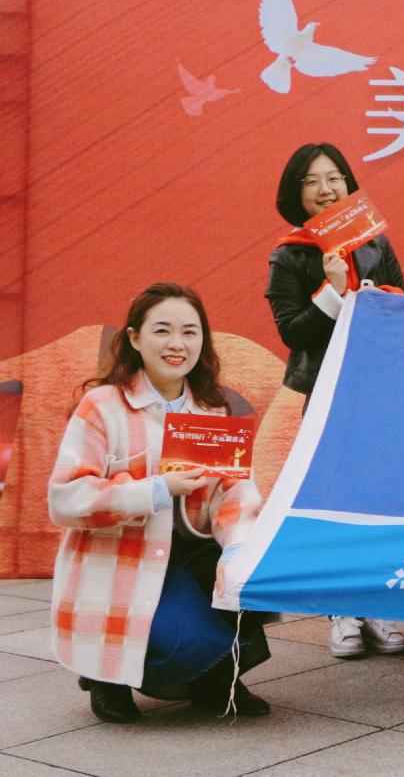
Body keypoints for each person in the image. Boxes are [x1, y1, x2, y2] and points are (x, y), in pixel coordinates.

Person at [48, 283, 271, 722]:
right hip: (124, 558)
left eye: (189, 331)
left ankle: (215, 680)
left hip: (190, 552)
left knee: (253, 579)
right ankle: (105, 676)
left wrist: (239, 548)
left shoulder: (212, 409)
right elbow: (65, 498)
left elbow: (234, 491)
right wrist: (155, 489)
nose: (177, 344)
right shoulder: (102, 406)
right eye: (162, 330)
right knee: (185, 640)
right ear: (135, 338)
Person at [265, 142, 404, 659]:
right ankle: (341, 610)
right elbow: (292, 332)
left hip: (377, 391)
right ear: (297, 193)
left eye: (334, 178)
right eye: (312, 181)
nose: (326, 189)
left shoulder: (375, 242)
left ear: (349, 184)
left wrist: (382, 298)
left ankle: (376, 604)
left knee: (377, 499)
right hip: (326, 392)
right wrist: (331, 290)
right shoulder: (288, 255)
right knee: (331, 502)